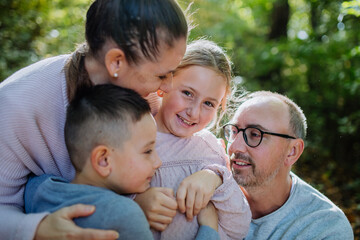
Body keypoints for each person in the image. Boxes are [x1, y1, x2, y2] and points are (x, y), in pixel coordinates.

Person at [0, 0, 188, 239]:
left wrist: (213, 175)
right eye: (161, 75)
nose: (168, 86)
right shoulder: (15, 106)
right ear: (116, 62)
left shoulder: (145, 98)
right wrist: (38, 228)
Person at [24, 84, 221, 240]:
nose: (158, 162)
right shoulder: (125, 214)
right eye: (148, 151)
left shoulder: (38, 187)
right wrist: (209, 229)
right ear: (104, 160)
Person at [136, 40, 251, 240]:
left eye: (208, 103)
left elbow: (238, 228)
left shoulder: (209, 149)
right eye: (187, 93)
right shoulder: (129, 135)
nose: (194, 112)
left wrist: (215, 178)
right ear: (165, 83)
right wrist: (135, 205)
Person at [223, 91, 354, 239]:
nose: (235, 146)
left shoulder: (325, 227)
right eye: (234, 131)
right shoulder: (208, 187)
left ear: (292, 151)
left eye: (255, 134)